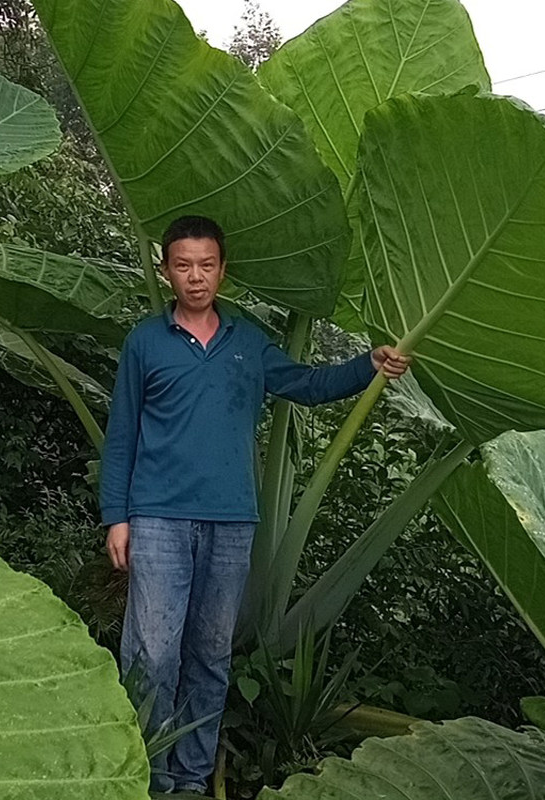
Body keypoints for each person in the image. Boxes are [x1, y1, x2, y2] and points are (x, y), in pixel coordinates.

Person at [100, 215, 410, 794]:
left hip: (232, 521)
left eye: (207, 265)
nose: (196, 277)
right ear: (167, 270)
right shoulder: (145, 342)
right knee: (152, 656)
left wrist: (369, 364)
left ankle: (191, 779)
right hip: (158, 517)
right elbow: (123, 434)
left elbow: (308, 385)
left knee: (211, 656)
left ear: (223, 269)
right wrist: (116, 518)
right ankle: (144, 776)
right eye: (183, 265)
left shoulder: (247, 344)